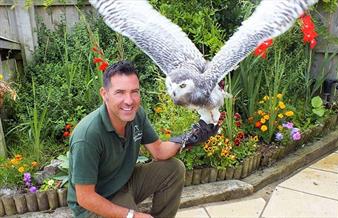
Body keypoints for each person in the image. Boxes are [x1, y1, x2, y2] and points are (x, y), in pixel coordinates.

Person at [67, 61, 222, 218]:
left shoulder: (136, 115)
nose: (129, 100)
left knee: (174, 169)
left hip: (124, 182)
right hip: (95, 201)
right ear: (104, 94)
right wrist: (132, 215)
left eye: (134, 91)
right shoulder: (87, 136)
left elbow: (159, 152)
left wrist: (189, 138)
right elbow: (85, 198)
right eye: (120, 92)